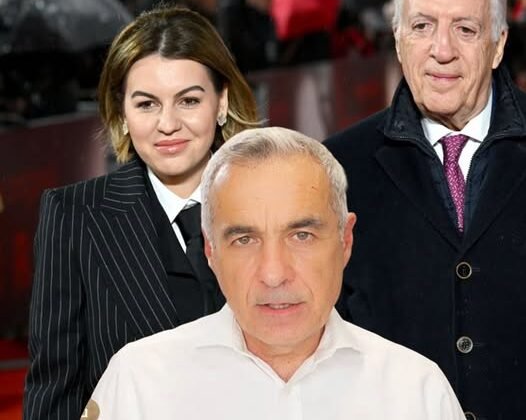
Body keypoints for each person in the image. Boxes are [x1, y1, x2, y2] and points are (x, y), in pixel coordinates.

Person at [85, 127, 465, 420]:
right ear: (210, 251)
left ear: (345, 240)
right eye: (244, 239)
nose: (273, 274)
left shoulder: (416, 393)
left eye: (301, 235)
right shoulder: (139, 384)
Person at [324, 0, 526, 420]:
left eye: (465, 29)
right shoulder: (338, 169)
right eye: (422, 26)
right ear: (397, 37)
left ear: (498, 45)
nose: (442, 50)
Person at [23, 5, 259, 420]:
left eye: (188, 100)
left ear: (221, 102)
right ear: (123, 114)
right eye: (147, 104)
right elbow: (54, 391)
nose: (167, 123)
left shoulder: (271, 204)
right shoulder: (75, 216)